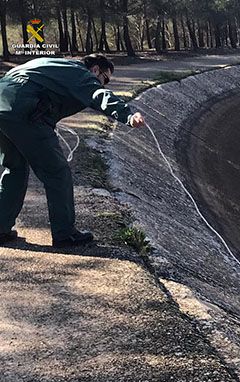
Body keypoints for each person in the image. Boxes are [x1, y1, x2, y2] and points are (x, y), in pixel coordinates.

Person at [0, 53, 145, 247]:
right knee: (57, 173)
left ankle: (1, 228)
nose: (104, 84)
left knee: (15, 167)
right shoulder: (82, 75)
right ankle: (65, 234)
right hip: (24, 111)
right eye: (105, 79)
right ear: (95, 70)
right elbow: (99, 95)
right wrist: (128, 115)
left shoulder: (58, 64)